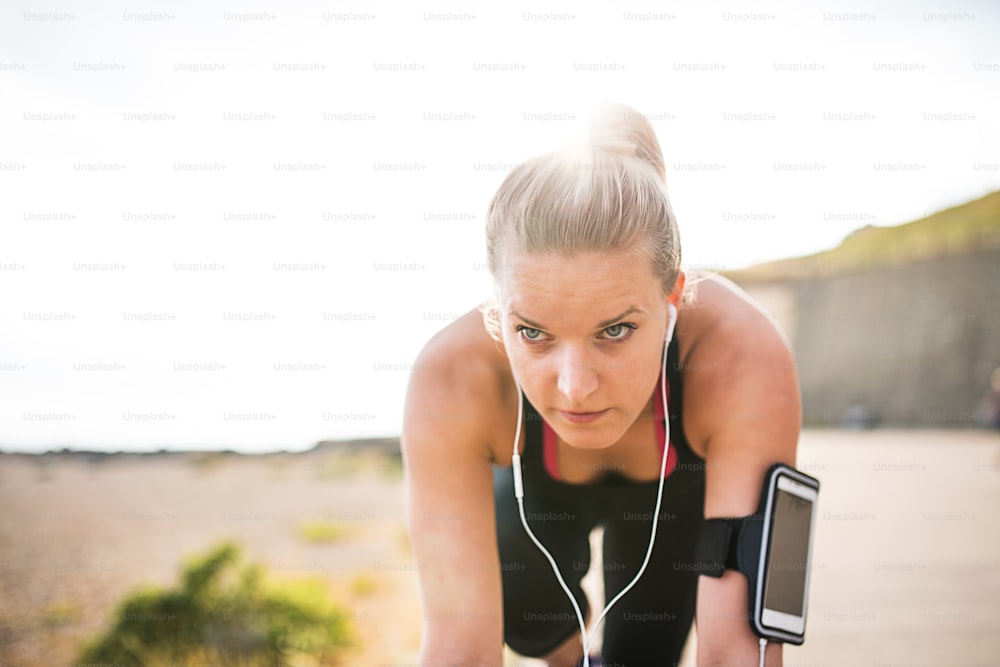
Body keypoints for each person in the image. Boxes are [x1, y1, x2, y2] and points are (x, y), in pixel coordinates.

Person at [402, 101, 800, 666]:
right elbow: (457, 650)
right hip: (537, 509)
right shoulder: (453, 377)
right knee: (526, 606)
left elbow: (742, 651)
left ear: (673, 300)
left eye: (615, 329)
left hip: (674, 504)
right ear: (497, 315)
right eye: (533, 332)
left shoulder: (742, 359)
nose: (574, 387)